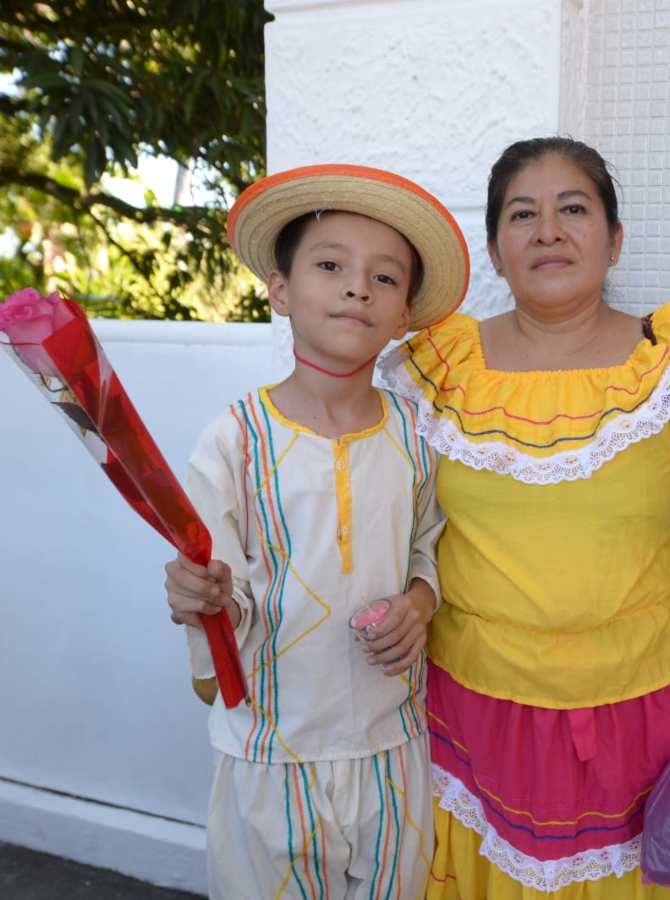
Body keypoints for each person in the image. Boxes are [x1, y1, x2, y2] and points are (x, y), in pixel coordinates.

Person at [377, 136, 670, 899]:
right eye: (522, 215)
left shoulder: (667, 360)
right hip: (475, 707)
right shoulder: (436, 371)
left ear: (615, 238)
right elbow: (387, 519)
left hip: (645, 710)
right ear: (496, 252)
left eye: (573, 209)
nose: (549, 231)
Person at [163, 164, 470, 899]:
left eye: (384, 278)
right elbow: (215, 598)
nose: (357, 287)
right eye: (330, 265)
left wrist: (421, 605)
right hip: (271, 753)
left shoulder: (417, 435)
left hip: (391, 749)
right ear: (280, 289)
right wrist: (196, 593)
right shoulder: (234, 441)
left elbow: (433, 544)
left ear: (404, 316)